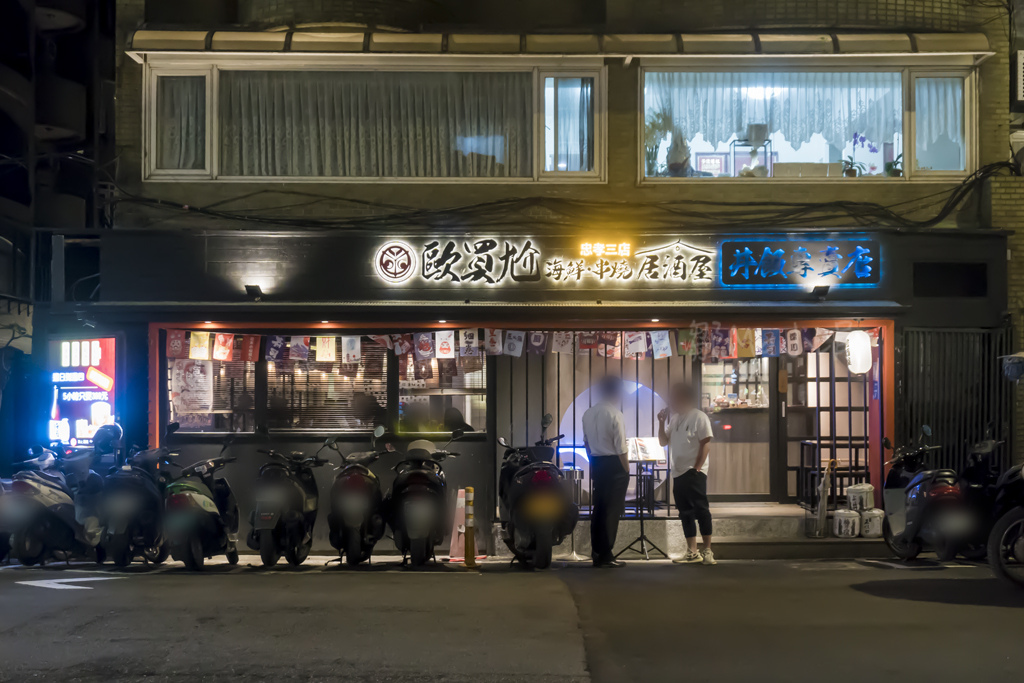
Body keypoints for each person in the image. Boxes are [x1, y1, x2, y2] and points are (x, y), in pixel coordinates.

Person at [659, 382, 716, 565]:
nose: (672, 401)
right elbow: (662, 441)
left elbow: (706, 442)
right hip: (677, 471)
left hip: (694, 471)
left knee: (701, 509)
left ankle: (707, 550)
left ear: (684, 397)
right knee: (685, 512)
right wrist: (661, 422)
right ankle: (692, 551)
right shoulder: (675, 418)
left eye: (674, 397)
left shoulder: (699, 417)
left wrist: (697, 468)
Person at [582, 375, 630, 568]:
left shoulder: (588, 413)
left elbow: (586, 442)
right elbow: (621, 448)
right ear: (616, 392)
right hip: (614, 465)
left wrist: (593, 460)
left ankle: (596, 552)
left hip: (596, 462)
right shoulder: (615, 415)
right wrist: (626, 470)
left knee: (599, 508)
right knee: (612, 510)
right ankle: (607, 554)